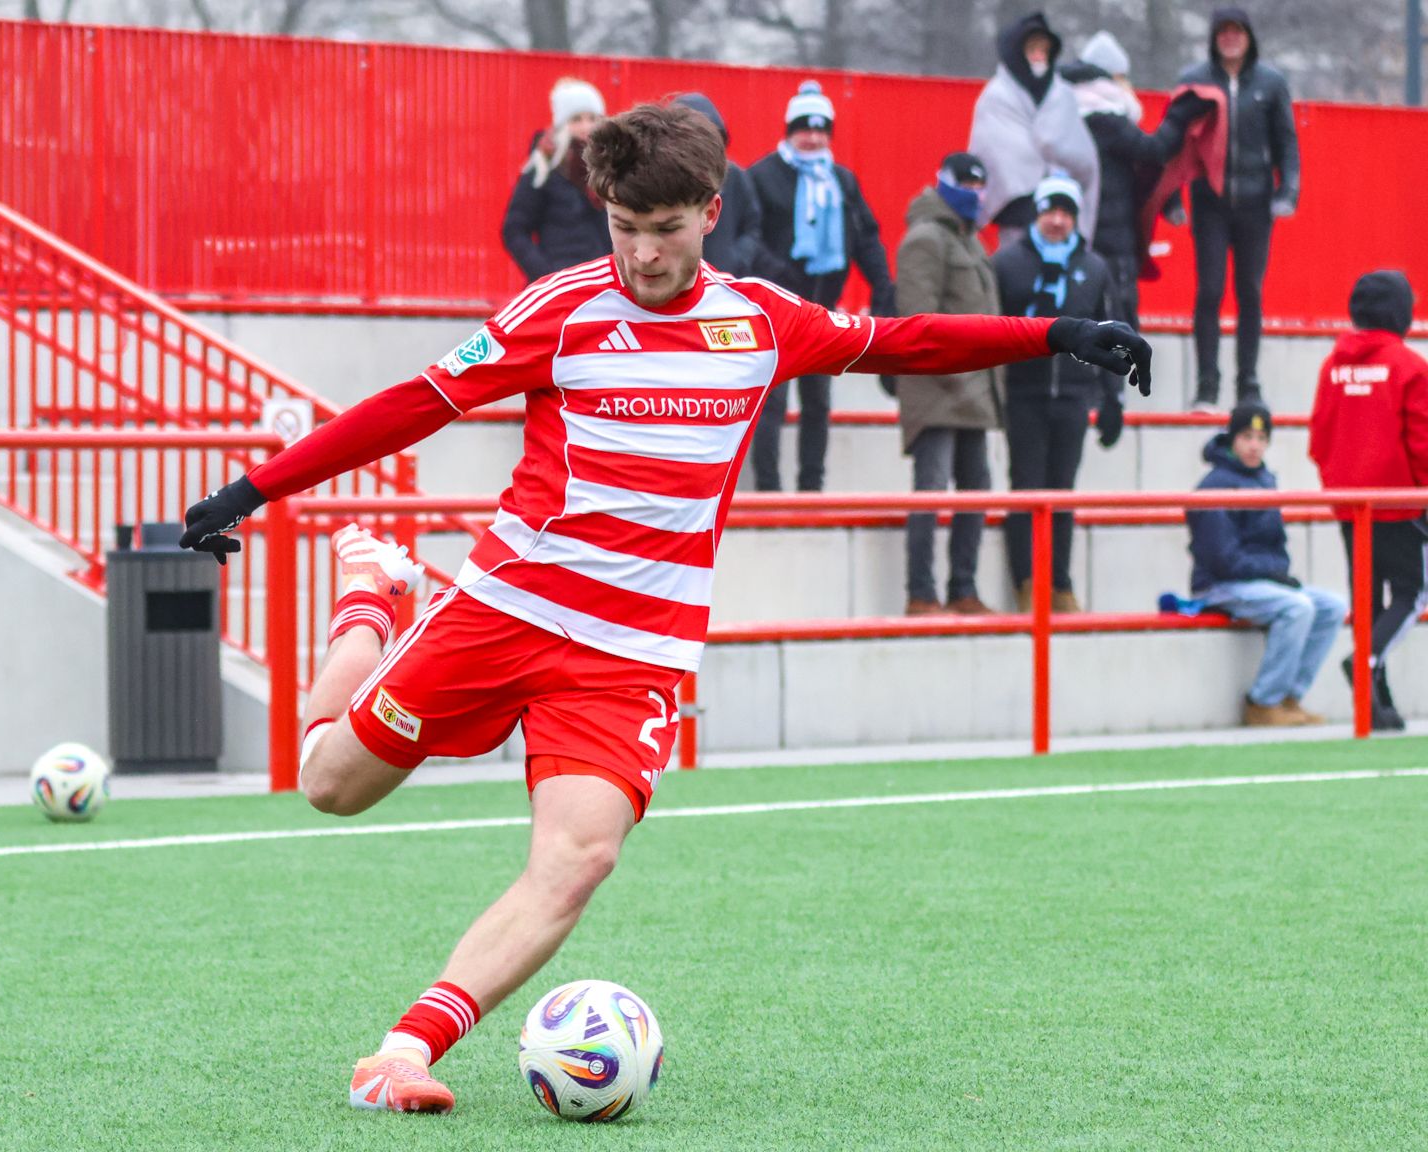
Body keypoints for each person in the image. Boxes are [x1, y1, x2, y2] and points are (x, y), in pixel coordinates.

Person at [176, 101, 1151, 1114]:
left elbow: (905, 339)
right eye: (625, 229)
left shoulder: (761, 322)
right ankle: (371, 605)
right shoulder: (554, 310)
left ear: (711, 212)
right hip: (507, 607)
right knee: (329, 783)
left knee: (580, 854)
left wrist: (1060, 332)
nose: (643, 255)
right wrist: (254, 488)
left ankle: (403, 1053)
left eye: (667, 229)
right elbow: (417, 401)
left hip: (631, 654)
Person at [747, 80, 895, 492]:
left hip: (823, 311)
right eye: (803, 128)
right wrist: (778, 273)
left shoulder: (842, 183)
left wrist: (883, 286)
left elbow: (866, 237)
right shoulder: (762, 176)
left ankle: (812, 487)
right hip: (774, 310)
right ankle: (769, 491)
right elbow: (750, 238)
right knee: (771, 404)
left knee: (818, 403)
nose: (812, 138)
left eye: (820, 130)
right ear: (788, 130)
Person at [993, 175, 1123, 612]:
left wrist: (1112, 398)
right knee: (1026, 488)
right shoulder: (1007, 263)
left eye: (1066, 213)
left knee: (1063, 491)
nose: (1057, 221)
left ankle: (1060, 583)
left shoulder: (1094, 267)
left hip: (1072, 394)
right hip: (1024, 393)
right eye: (1050, 211)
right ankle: (1026, 582)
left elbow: (1112, 334)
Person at [1308, 270, 1427, 732]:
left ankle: (1378, 702)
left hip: (1349, 501)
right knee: (1412, 593)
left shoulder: (1333, 364)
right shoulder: (1410, 366)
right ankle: (1366, 660)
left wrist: (1340, 482)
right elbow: (1421, 442)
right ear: (1401, 312)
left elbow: (1320, 434)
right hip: (1399, 501)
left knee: (1368, 598)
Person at [894, 152, 1004, 616]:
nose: (976, 195)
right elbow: (918, 320)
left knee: (976, 489)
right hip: (937, 389)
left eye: (982, 186)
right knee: (932, 490)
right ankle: (921, 594)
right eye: (968, 185)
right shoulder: (926, 239)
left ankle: (963, 589)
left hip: (975, 389)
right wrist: (954, 371)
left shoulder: (970, 242)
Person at [1187, 402, 1343, 727]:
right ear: (1233, 438)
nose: (1255, 445)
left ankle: (1289, 697)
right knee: (1297, 607)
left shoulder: (1264, 479)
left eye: (1261, 437)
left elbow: (1277, 547)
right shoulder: (1214, 485)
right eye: (1247, 436)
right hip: (1219, 585)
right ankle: (1263, 701)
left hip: (1258, 581)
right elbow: (1221, 559)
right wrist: (1271, 573)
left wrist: (1276, 574)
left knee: (1332, 606)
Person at [1178, 7, 1299, 411]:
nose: (1230, 38)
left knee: (1250, 292)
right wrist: (1172, 198)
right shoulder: (1194, 81)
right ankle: (1206, 386)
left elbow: (1287, 142)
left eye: (1237, 31)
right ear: (1213, 38)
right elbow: (1177, 144)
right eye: (1223, 32)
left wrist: (1288, 192)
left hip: (1255, 203)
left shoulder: (1271, 82)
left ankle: (1248, 381)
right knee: (1209, 290)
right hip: (1208, 202)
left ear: (1249, 37)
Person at [1059, 32, 1209, 330]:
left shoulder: (1070, 109)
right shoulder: (1104, 117)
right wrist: (1179, 115)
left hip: (1086, 226)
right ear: (1113, 76)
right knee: (1116, 312)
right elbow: (1153, 151)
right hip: (1111, 231)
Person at [968, 11, 1100, 249]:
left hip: (1062, 212)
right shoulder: (996, 98)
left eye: (1044, 49)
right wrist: (1044, 158)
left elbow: (1085, 159)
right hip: (1017, 214)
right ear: (1018, 52)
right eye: (1032, 48)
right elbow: (996, 156)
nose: (1039, 55)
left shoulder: (1063, 95)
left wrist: (1057, 157)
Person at [500, 78, 610, 283]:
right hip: (559, 284)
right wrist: (545, 275)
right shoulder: (543, 167)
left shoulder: (610, 168)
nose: (586, 126)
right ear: (562, 123)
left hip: (604, 282)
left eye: (592, 118)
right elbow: (514, 230)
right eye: (576, 119)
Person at [671, 93, 774, 280]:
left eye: (709, 138)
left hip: (724, 284)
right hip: (673, 284)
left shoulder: (734, 176)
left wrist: (736, 259)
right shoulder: (658, 179)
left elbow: (753, 226)